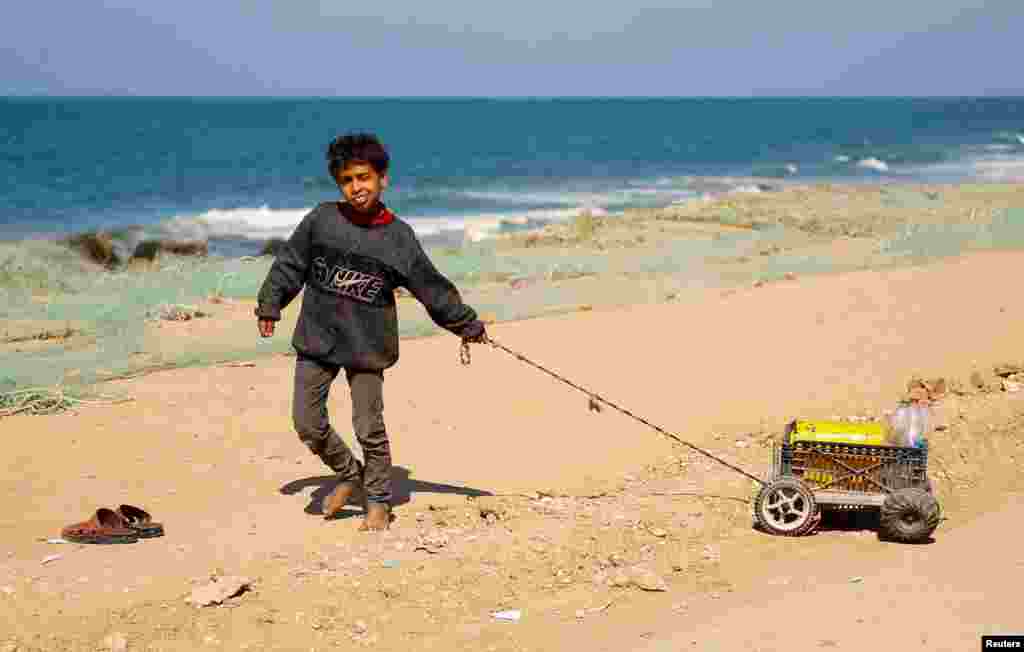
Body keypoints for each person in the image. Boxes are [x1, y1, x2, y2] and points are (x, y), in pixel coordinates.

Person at [255, 133, 487, 531]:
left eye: (363, 177)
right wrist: (271, 303)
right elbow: (290, 263)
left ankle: (378, 499)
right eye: (347, 180)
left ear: (383, 179)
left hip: (367, 346)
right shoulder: (322, 220)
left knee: (369, 427)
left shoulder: (398, 238)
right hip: (318, 339)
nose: (356, 188)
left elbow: (429, 286)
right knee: (307, 422)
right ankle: (349, 473)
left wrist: (465, 323)